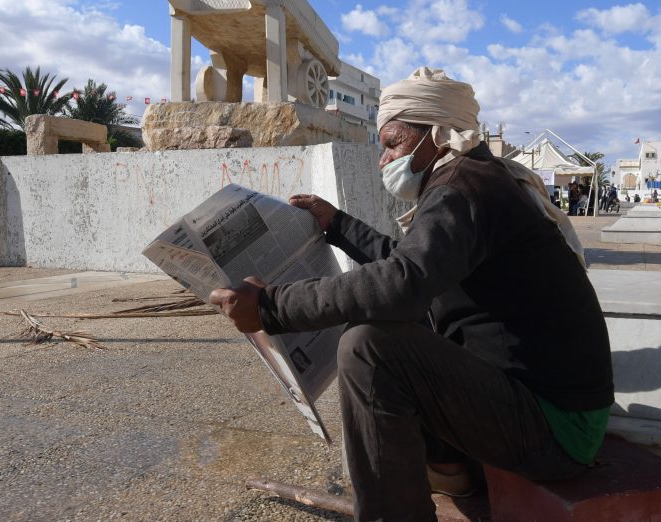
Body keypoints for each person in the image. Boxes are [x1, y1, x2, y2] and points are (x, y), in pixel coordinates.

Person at [209, 67, 613, 521]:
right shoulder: (475, 177)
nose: (383, 160)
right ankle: (450, 467)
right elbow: (414, 266)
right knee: (395, 321)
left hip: (558, 430)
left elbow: (403, 282)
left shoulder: (463, 187)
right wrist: (338, 225)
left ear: (437, 136)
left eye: (392, 143)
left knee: (369, 348)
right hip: (546, 411)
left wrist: (271, 307)